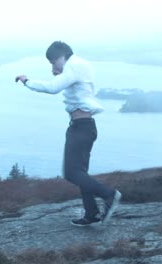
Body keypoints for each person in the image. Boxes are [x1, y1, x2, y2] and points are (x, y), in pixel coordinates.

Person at [15, 41, 121, 226]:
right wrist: (60, 73)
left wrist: (27, 81)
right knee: (81, 172)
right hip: (84, 126)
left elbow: (52, 88)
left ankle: (109, 195)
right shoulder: (78, 66)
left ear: (62, 56)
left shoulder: (73, 66)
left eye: (53, 61)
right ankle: (92, 214)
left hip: (81, 128)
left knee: (72, 173)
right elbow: (70, 87)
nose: (52, 66)